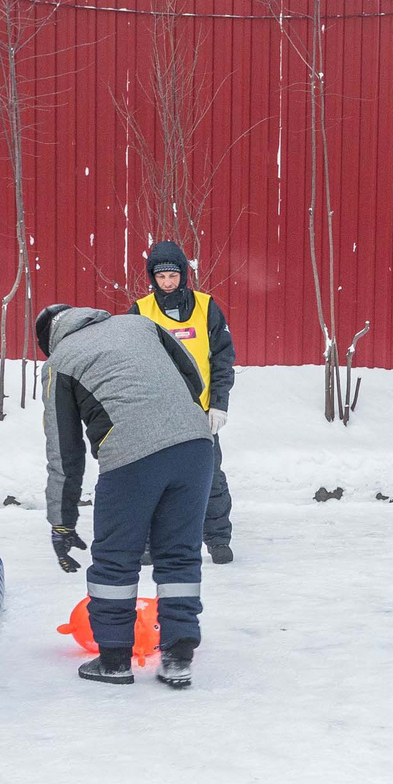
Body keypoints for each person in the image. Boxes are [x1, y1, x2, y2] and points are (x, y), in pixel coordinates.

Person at [38, 302, 216, 688]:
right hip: (197, 445)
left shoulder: (58, 363)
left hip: (132, 456)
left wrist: (61, 523)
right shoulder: (139, 325)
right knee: (179, 553)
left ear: (50, 339)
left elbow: (64, 454)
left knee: (116, 558)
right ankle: (177, 658)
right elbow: (193, 377)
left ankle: (115, 659)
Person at [132, 239, 237, 562]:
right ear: (153, 278)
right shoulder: (140, 310)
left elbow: (222, 358)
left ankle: (217, 539)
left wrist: (219, 404)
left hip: (200, 412)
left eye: (173, 276)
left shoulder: (207, 307)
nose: (167, 283)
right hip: (158, 411)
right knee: (152, 479)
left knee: (210, 477)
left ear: (183, 275)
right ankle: (149, 543)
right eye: (161, 277)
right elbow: (130, 361)